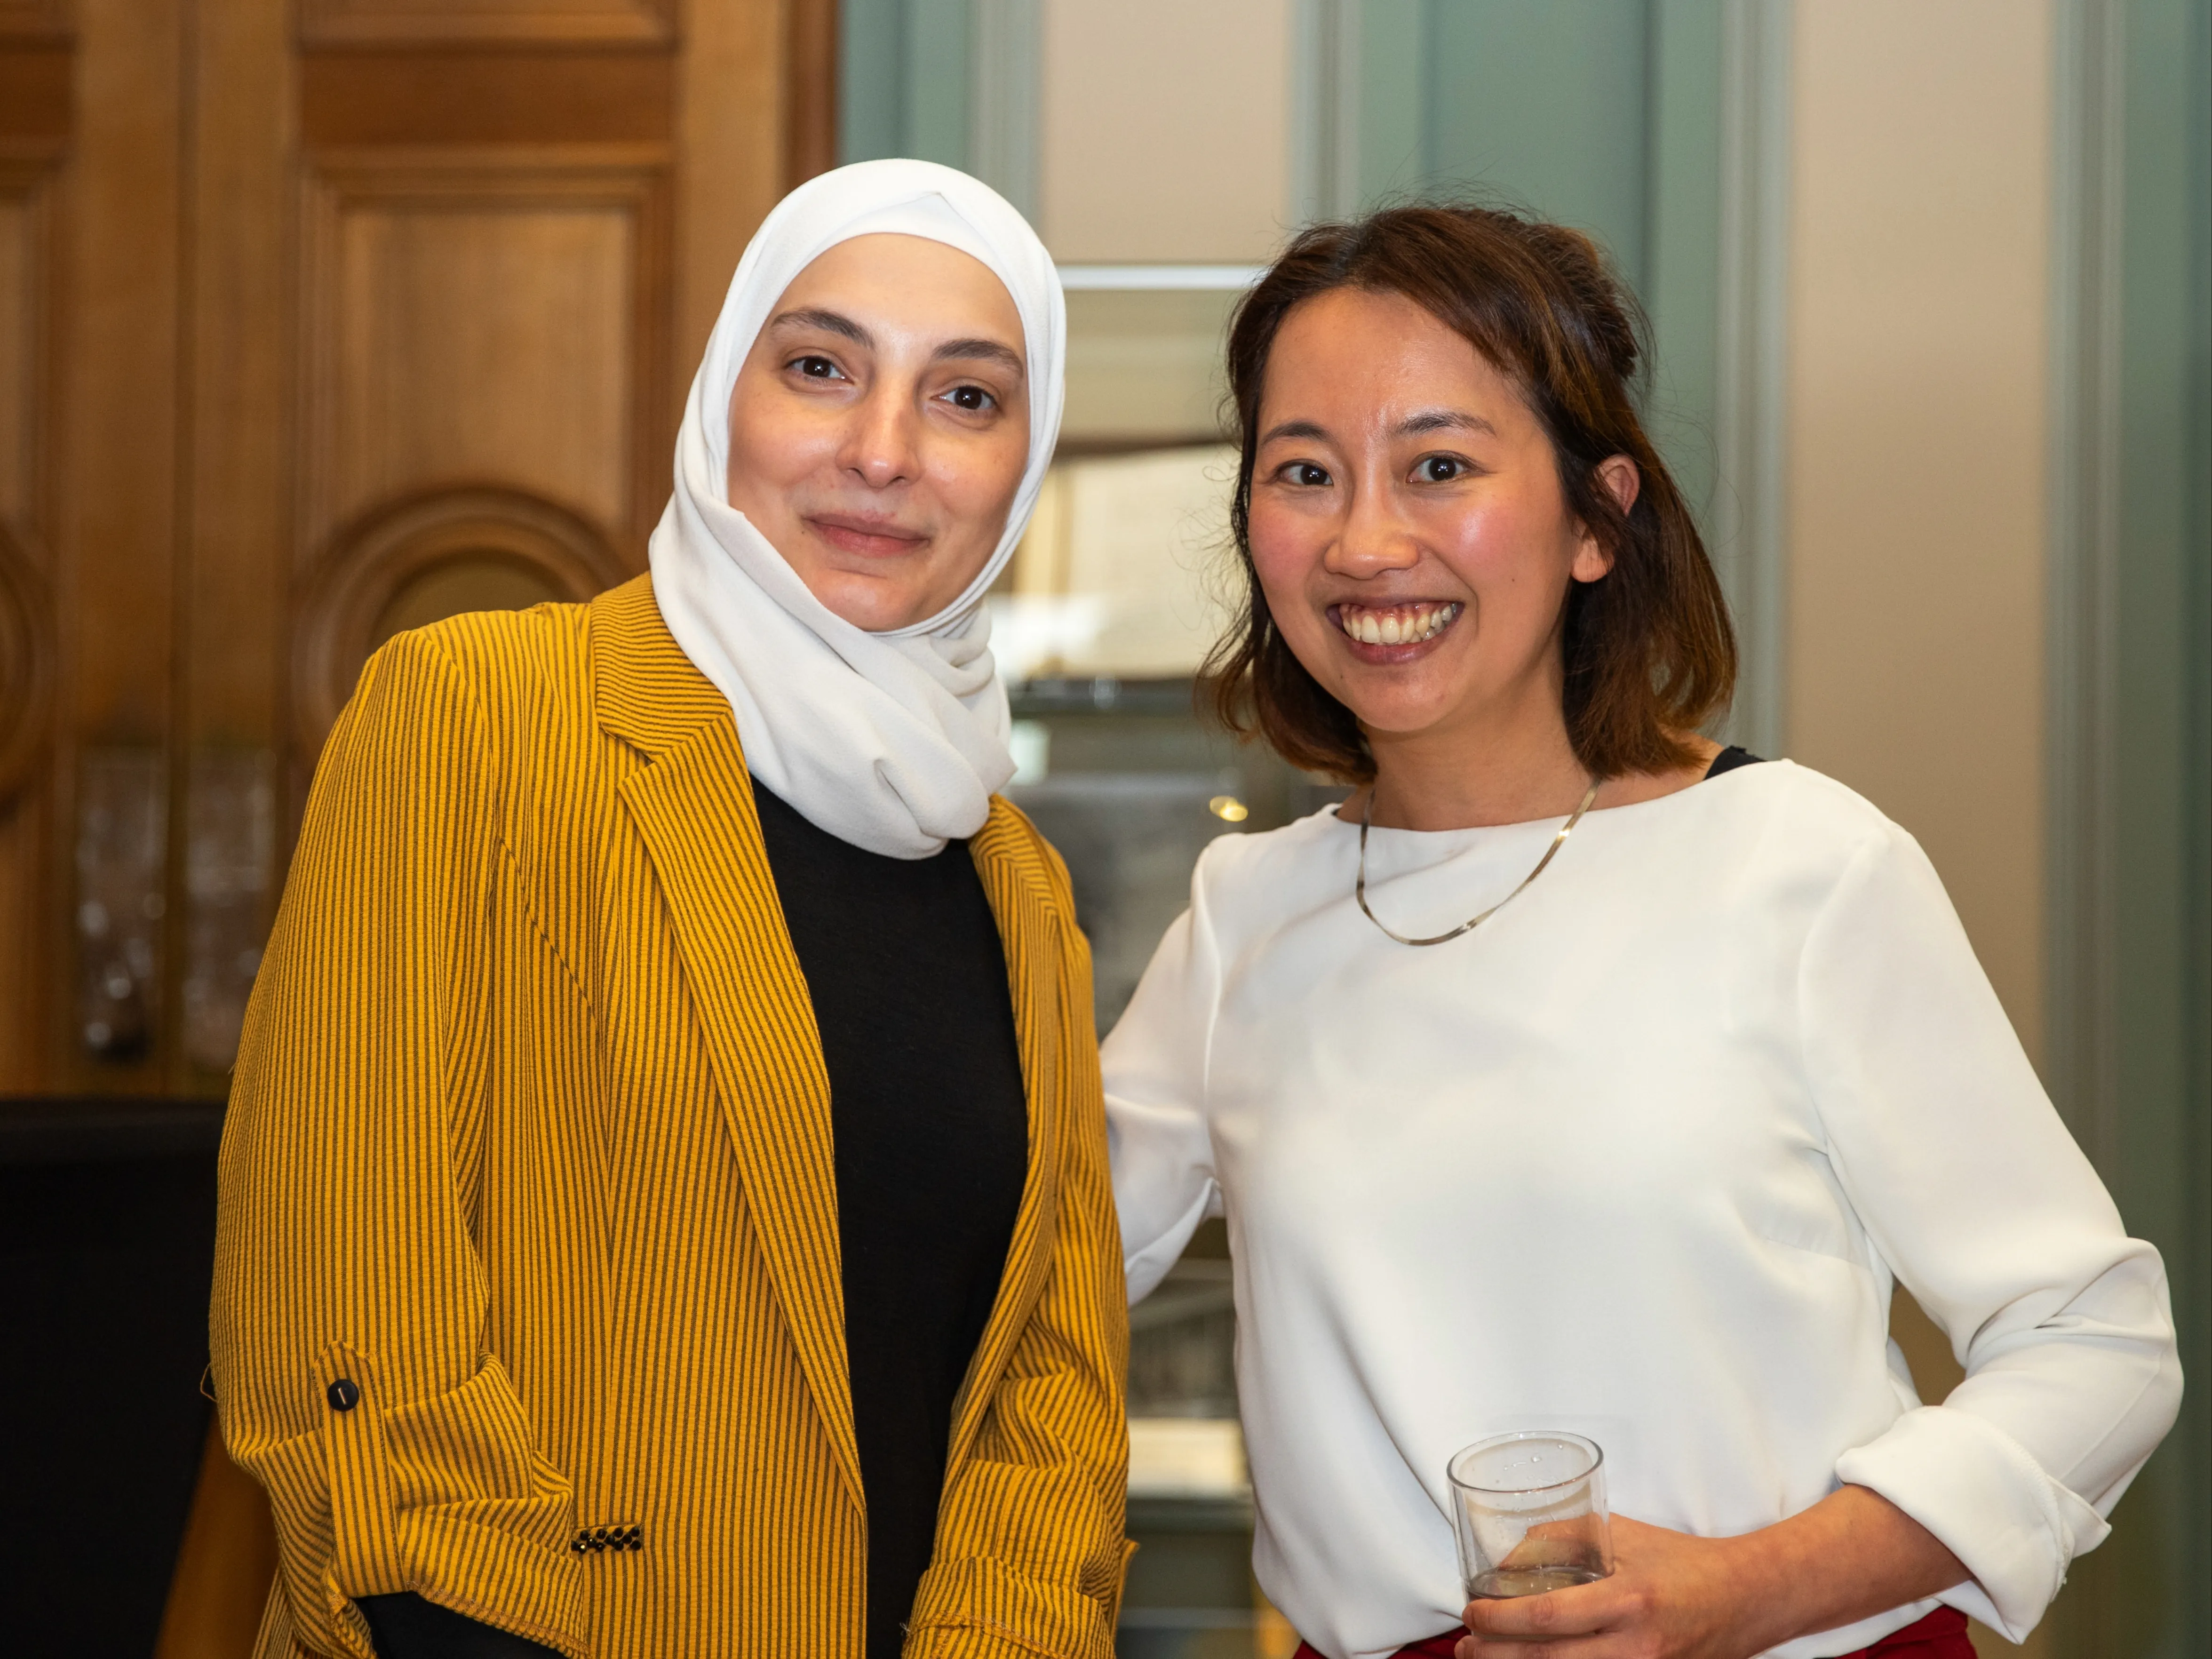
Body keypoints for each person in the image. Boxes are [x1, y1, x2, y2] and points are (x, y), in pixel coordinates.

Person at [1104, 205, 2181, 1659]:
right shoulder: (1246, 922)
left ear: (1597, 519)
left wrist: (1749, 1587)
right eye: (1304, 472)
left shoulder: (1797, 864)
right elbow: (1004, 1273)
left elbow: (2095, 1341)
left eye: (1438, 465)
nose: (1365, 541)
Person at [213, 161, 1129, 1659]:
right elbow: (347, 1301)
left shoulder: (1015, 883)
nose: (883, 451)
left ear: (1023, 463)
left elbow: (1050, 1389)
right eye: (822, 367)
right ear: (723, 398)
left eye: (965, 397)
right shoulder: (480, 716)